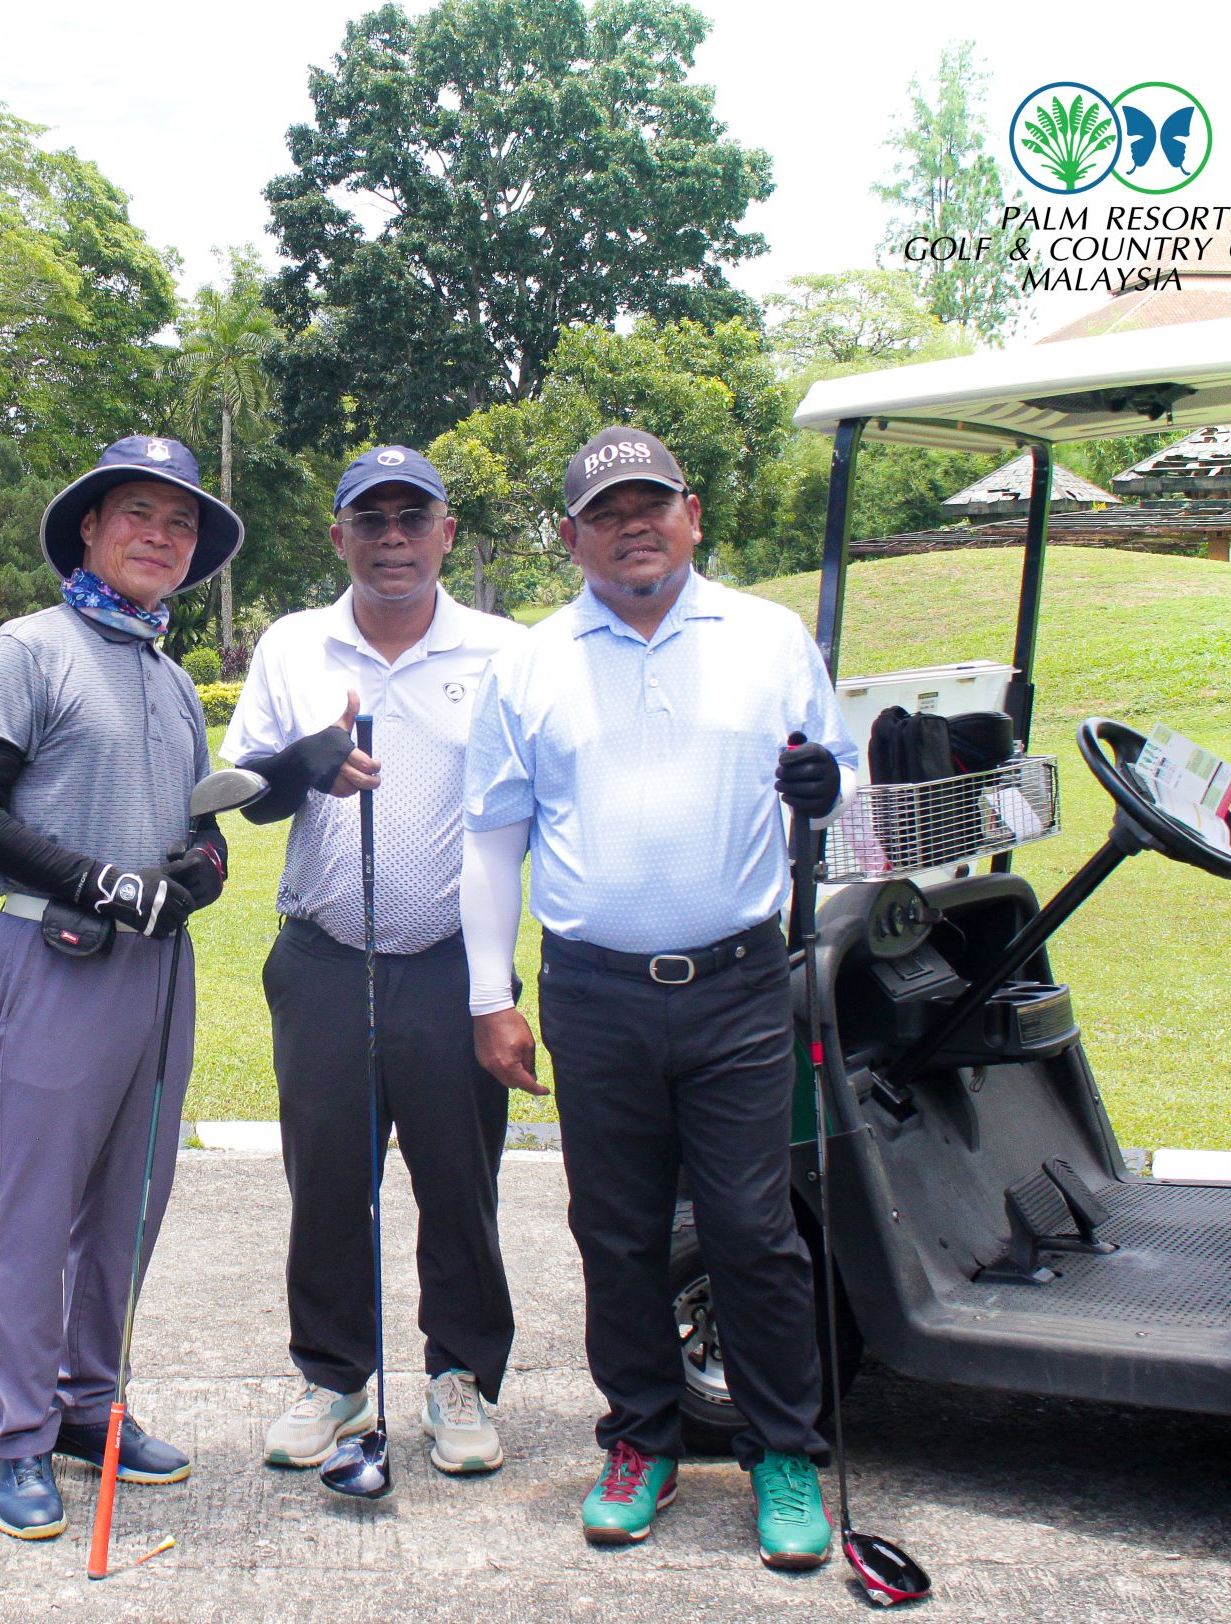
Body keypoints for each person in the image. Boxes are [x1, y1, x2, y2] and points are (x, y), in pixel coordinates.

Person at [458, 426, 858, 1569]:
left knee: (751, 1227)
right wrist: (495, 994)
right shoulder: (530, 663)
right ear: (574, 535)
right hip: (594, 991)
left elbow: (832, 785)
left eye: (652, 504)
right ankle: (641, 1437)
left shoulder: (770, 638)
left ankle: (785, 1453)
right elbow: (494, 838)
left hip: (735, 984)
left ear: (691, 513)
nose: (633, 526)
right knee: (617, 1229)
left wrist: (826, 787)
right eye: (605, 510)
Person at [0, 434, 243, 1541]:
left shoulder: (169, 672)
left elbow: (198, 827)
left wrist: (198, 872)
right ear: (89, 527)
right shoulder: (32, 647)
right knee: (35, 1209)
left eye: (179, 523)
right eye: (137, 514)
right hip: (57, 957)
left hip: (160, 973)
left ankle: (87, 1401)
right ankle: (19, 1435)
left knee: (132, 1201)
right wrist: (102, 884)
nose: (159, 537)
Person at [222, 445, 523, 1478]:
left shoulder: (501, 651)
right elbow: (248, 796)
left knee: (459, 1180)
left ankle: (461, 1378)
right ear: (339, 533)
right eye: (371, 519)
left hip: (449, 961)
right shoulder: (294, 645)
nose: (392, 538)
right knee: (328, 1182)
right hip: (322, 953)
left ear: (446, 532)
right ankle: (335, 1374)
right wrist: (304, 764)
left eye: (413, 517)